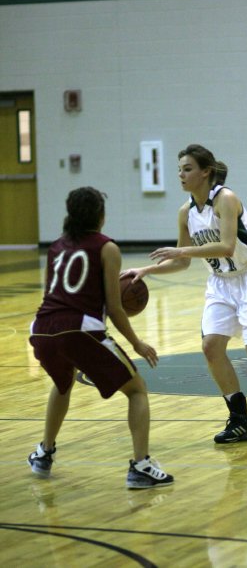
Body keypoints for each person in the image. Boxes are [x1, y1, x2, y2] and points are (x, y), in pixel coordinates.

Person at [123, 144, 247, 443]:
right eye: (179, 169)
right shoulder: (186, 212)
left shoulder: (226, 200)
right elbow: (182, 261)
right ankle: (240, 420)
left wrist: (182, 249)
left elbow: (227, 246)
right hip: (220, 282)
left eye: (187, 169)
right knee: (211, 347)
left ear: (205, 172)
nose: (181, 175)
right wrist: (145, 271)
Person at [27, 186, 174, 488]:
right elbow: (115, 308)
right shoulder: (107, 248)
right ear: (100, 216)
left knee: (62, 383)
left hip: (41, 329)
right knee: (137, 390)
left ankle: (44, 452)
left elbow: (52, 295)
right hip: (79, 329)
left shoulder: (55, 246)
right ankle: (141, 465)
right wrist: (137, 343)